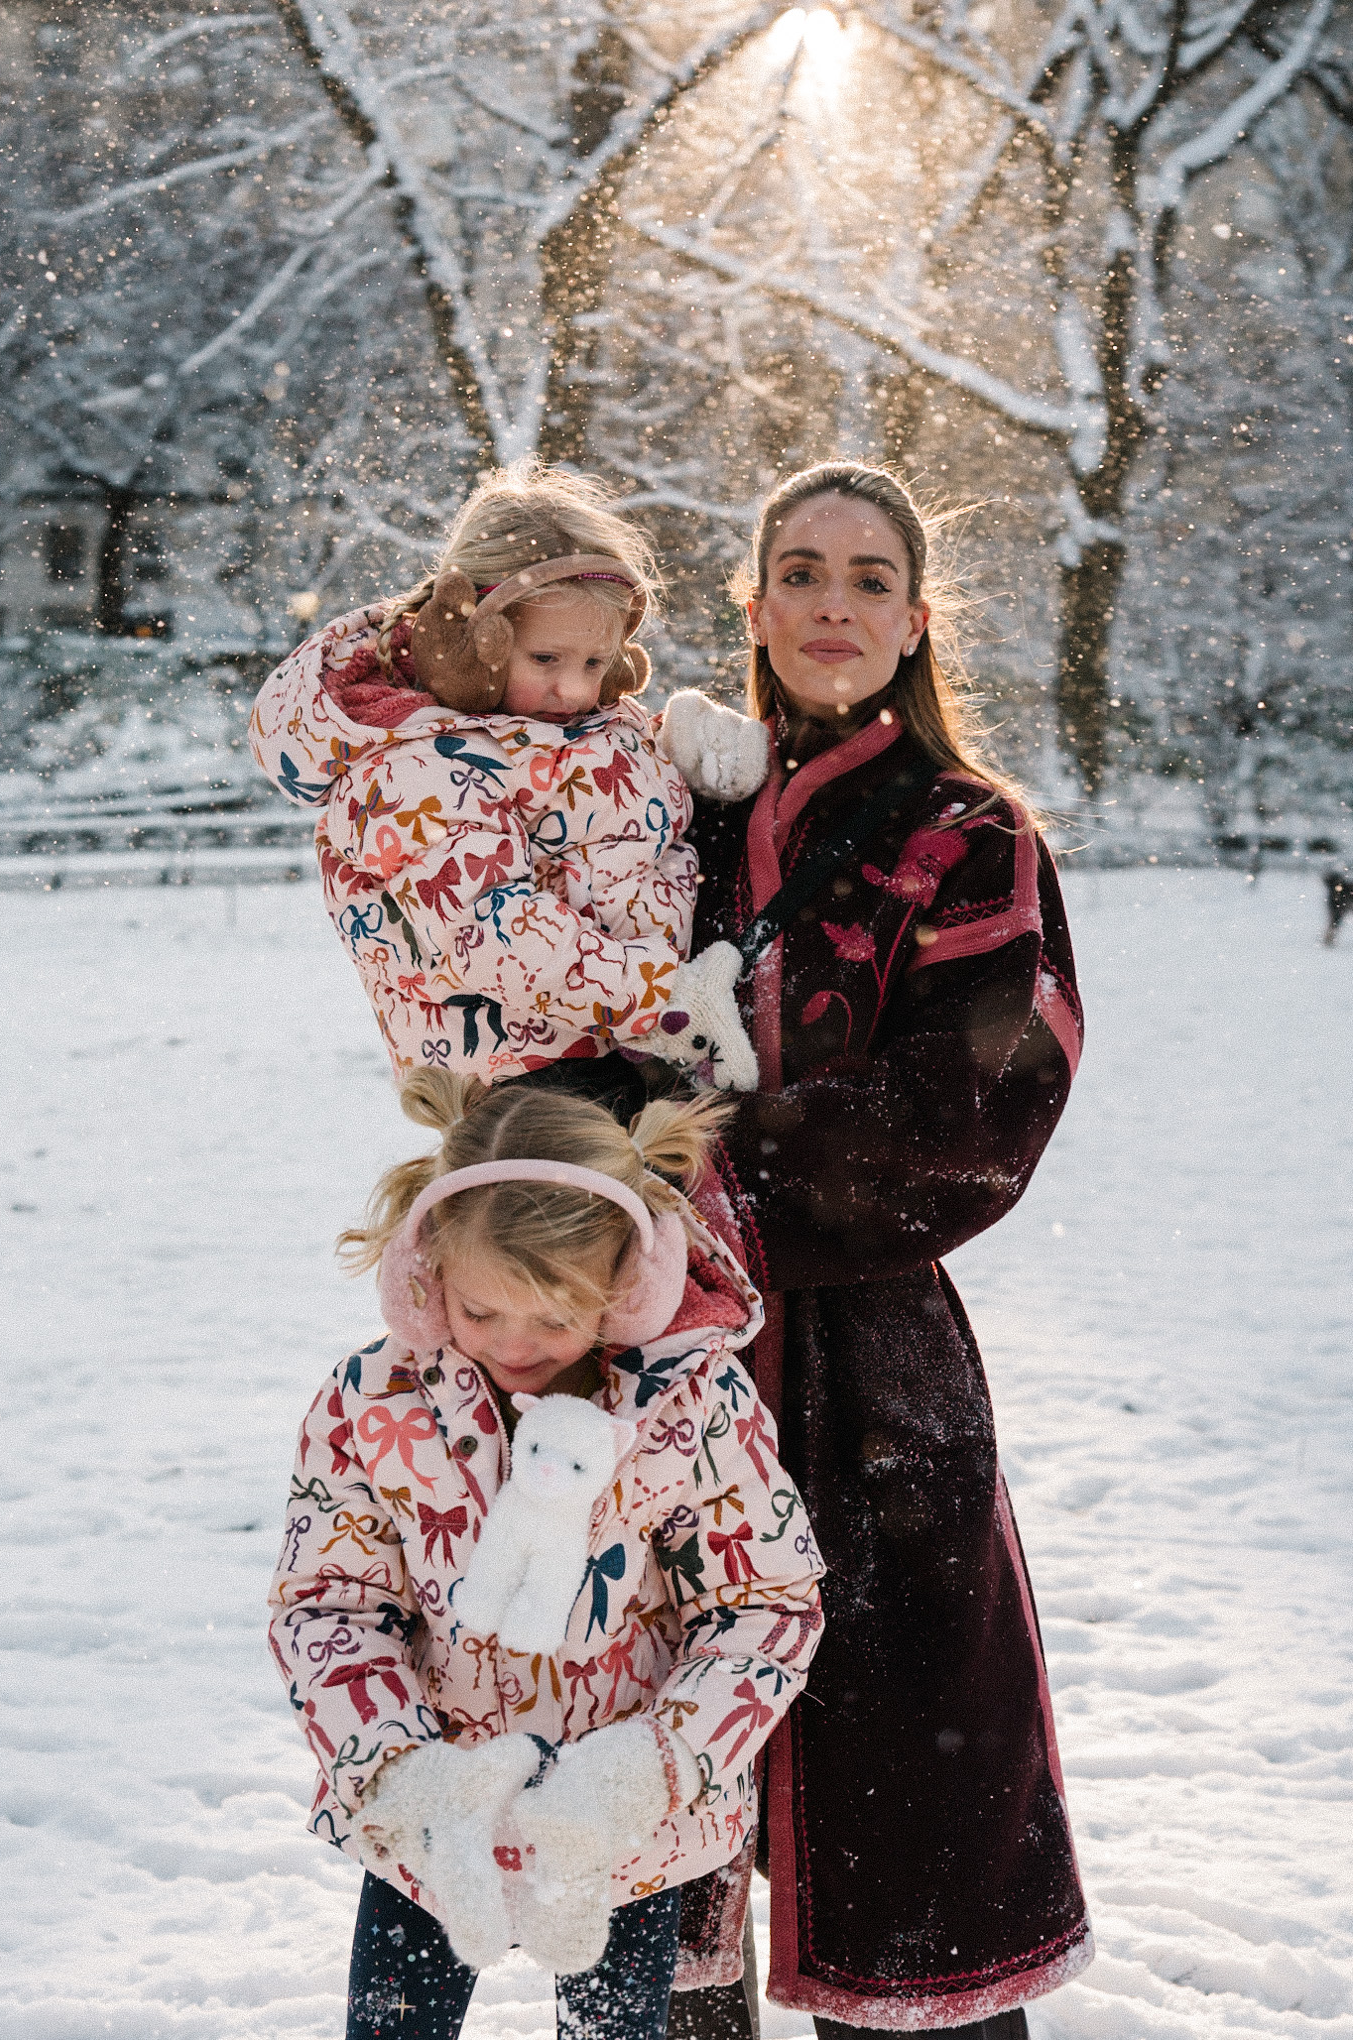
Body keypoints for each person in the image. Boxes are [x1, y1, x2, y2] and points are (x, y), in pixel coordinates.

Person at [658, 462, 1092, 2037]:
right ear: (754, 604)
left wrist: (717, 1180)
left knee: (913, 1816)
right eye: (799, 570)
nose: (831, 601)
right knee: (657, 1834)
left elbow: (980, 1097)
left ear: (915, 620)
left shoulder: (965, 836)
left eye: (866, 576)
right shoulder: (660, 816)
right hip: (653, 1372)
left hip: (873, 1375)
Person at [269, 1071, 824, 2040]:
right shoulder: (372, 1403)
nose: (515, 1344)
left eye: (556, 1318)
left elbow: (764, 1604)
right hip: (432, 1825)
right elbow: (329, 1607)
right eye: (482, 1312)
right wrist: (400, 1772)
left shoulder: (689, 1410)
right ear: (428, 1268)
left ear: (627, 1284)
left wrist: (652, 1768)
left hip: (610, 1835)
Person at [248, 461, 755, 1098]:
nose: (573, 688)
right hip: (528, 1077)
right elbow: (490, 934)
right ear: (467, 633)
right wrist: (663, 998)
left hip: (630, 1043)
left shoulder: (551, 718)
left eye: (596, 662)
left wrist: (684, 747)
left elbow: (590, 813)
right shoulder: (413, 771)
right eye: (545, 658)